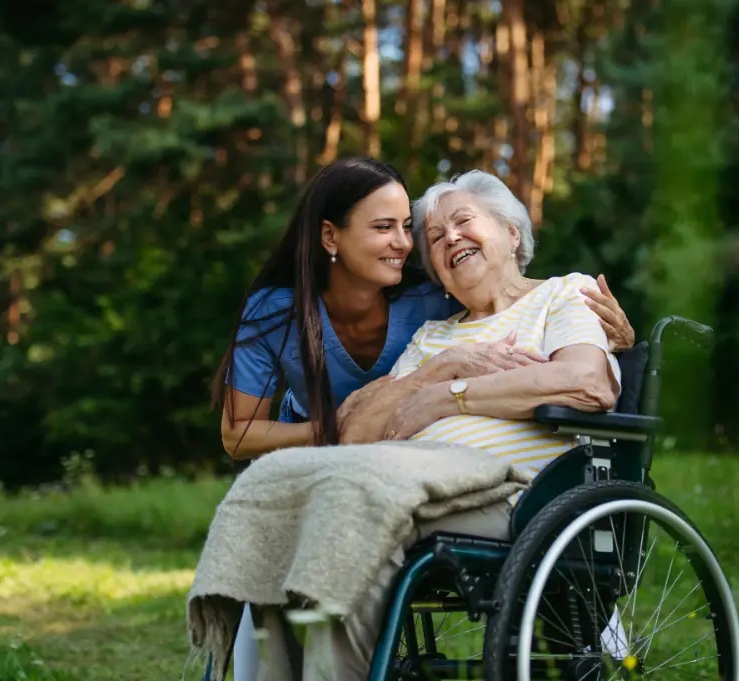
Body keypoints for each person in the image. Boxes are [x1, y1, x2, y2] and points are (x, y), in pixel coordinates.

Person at [207, 157, 635, 681]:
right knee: (280, 496)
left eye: (463, 221)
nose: (446, 238)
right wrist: (425, 378)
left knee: (352, 508)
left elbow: (585, 382)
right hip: (406, 487)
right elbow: (354, 434)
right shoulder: (431, 334)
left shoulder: (563, 294)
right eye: (434, 236)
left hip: (511, 493)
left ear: (511, 231)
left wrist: (448, 396)